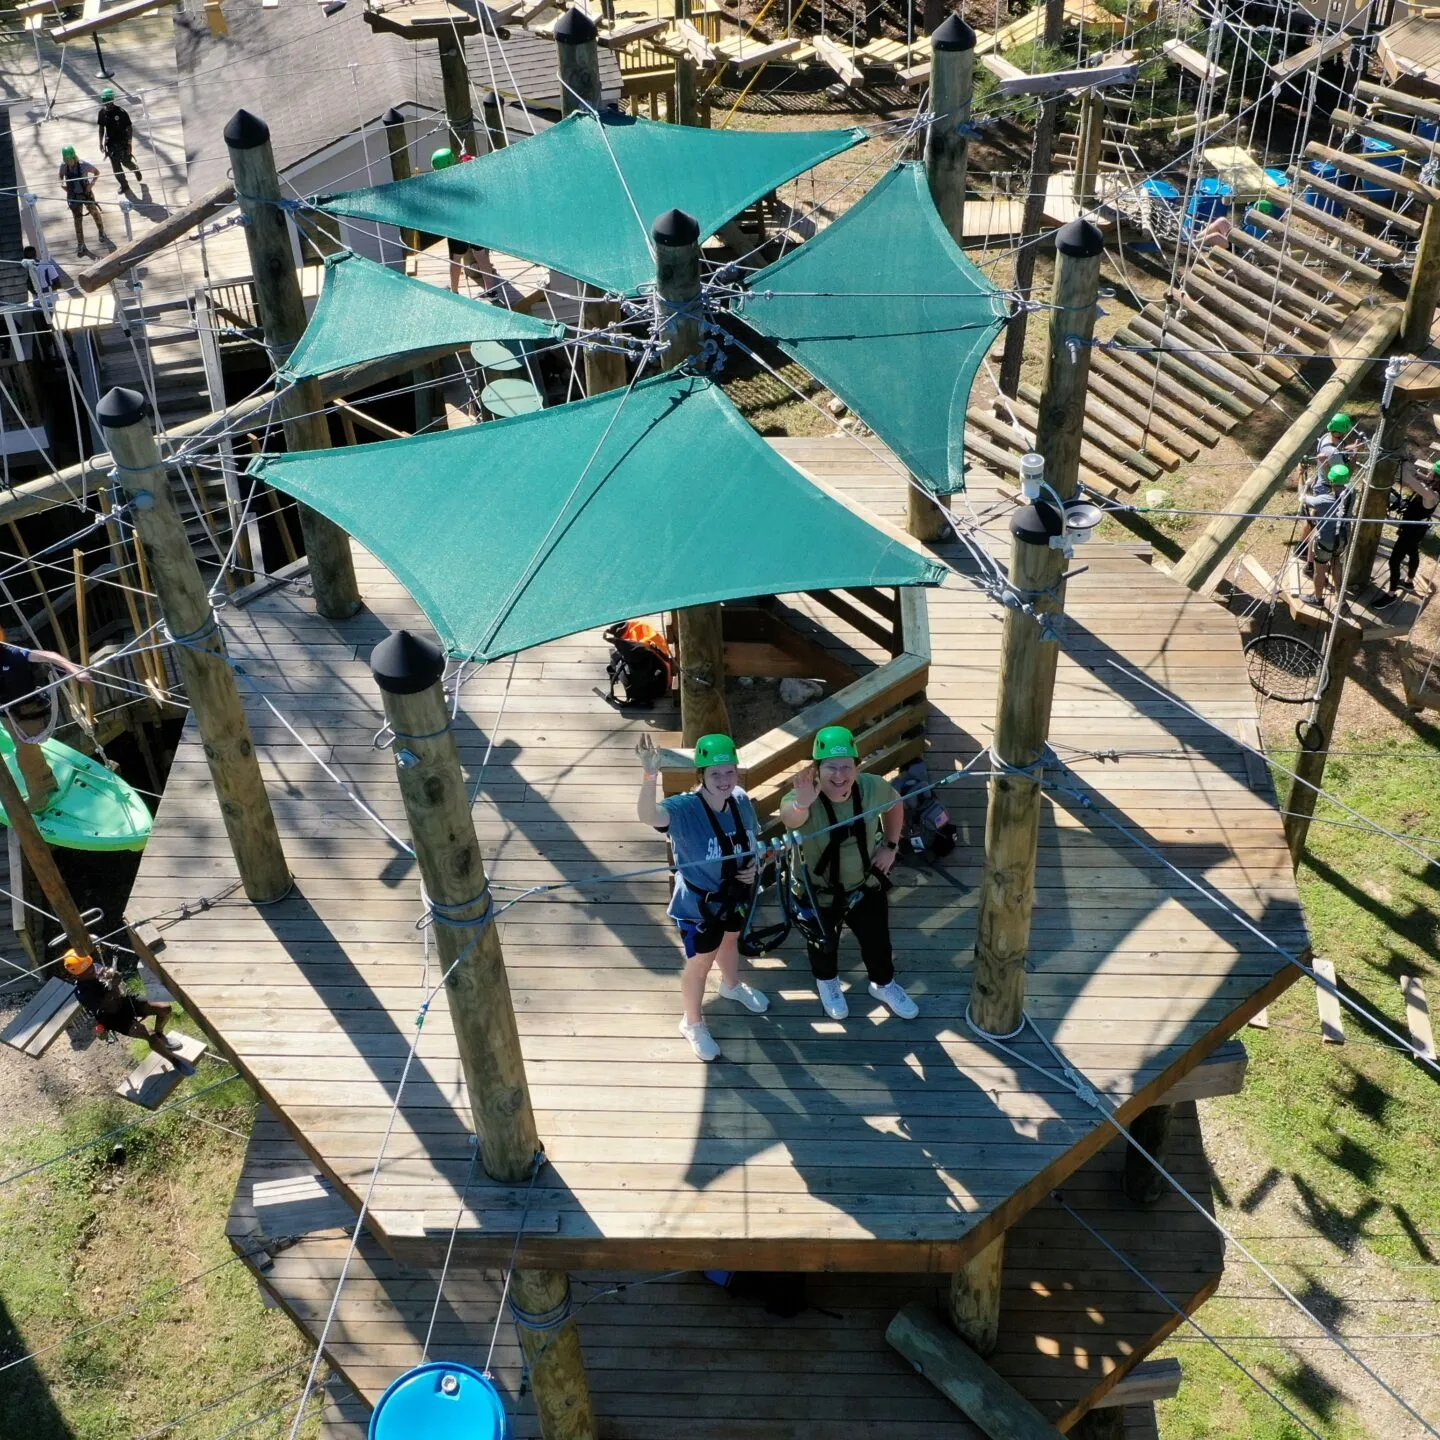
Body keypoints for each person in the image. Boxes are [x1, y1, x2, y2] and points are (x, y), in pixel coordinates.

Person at [637, 731, 769, 1062]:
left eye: (729, 772)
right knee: (700, 963)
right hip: (699, 905)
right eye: (715, 774)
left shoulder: (739, 799)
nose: (724, 780)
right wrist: (650, 774)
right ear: (701, 776)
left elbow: (752, 842)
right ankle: (692, 1022)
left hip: (734, 894)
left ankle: (731, 985)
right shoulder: (684, 809)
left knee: (730, 941)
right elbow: (649, 816)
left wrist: (753, 866)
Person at [780, 726, 917, 1022]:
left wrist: (891, 846)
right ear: (817, 768)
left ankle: (884, 984)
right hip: (818, 891)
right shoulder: (802, 794)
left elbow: (895, 803)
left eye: (846, 767)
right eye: (830, 767)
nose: (839, 776)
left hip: (864, 884)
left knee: (878, 940)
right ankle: (828, 982)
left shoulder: (871, 787)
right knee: (823, 943)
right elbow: (791, 818)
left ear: (857, 766)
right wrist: (802, 802)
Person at [0, 627, 90, 811]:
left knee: (24, 757)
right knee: (29, 752)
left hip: (28, 713)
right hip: (7, 715)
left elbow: (49, 656)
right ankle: (49, 782)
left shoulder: (14, 654)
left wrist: (75, 671)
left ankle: (38, 800)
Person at [64, 949, 186, 1069]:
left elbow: (106, 974)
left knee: (165, 1009)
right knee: (150, 1035)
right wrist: (114, 985)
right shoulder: (82, 993)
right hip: (113, 1017)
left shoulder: (94, 967)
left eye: (91, 966)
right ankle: (176, 1062)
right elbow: (107, 1005)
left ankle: (160, 1034)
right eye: (89, 972)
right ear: (78, 975)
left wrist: (112, 974)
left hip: (124, 1001)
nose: (93, 970)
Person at [430, 148, 497, 296]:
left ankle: (454, 291)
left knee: (456, 259)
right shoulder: (466, 171)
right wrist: (466, 157)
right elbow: (473, 166)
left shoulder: (440, 182)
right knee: (481, 255)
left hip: (457, 225)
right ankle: (491, 291)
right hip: (475, 221)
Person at [1376, 458, 1439, 608]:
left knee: (1394, 560)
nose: (1428, 472)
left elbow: (1408, 478)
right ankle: (1409, 582)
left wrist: (1402, 463)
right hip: (1416, 529)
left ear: (1436, 477)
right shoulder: (1433, 487)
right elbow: (1417, 475)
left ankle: (1391, 594)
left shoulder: (1431, 494)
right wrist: (1408, 463)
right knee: (1413, 551)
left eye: (1431, 472)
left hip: (1411, 531)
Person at [1302, 462, 1353, 607]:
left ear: (1331, 481)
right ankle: (1340, 597)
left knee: (1320, 568)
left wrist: (1303, 479)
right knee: (1337, 564)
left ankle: (1317, 599)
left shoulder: (1324, 500)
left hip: (1326, 541)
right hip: (1342, 538)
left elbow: (1303, 498)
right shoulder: (1351, 493)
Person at [58, 145, 106, 256]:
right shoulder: (63, 166)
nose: (69, 161)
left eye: (70, 159)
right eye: (66, 160)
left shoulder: (84, 165)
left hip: (85, 194)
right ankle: (81, 244)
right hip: (73, 196)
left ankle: (101, 231)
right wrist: (62, 184)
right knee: (77, 220)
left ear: (74, 157)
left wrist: (92, 184)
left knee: (94, 212)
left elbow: (97, 172)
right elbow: (60, 176)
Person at [96, 88, 143, 189]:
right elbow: (101, 128)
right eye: (105, 101)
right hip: (111, 146)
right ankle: (124, 185)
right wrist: (100, 143)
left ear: (113, 99)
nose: (107, 104)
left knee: (126, 162)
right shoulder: (102, 113)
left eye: (109, 100)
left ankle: (135, 169)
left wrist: (129, 143)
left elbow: (129, 127)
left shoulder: (120, 112)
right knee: (116, 169)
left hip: (123, 143)